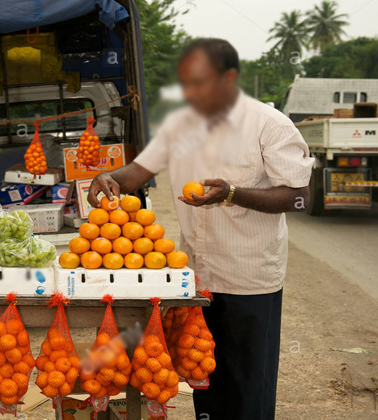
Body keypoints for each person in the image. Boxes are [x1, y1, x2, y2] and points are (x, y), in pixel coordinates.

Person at [87, 38, 314, 420]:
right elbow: (139, 171)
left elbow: (298, 197)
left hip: (249, 278)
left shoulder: (269, 125)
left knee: (247, 388)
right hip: (197, 278)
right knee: (203, 378)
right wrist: (110, 177)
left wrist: (233, 194)